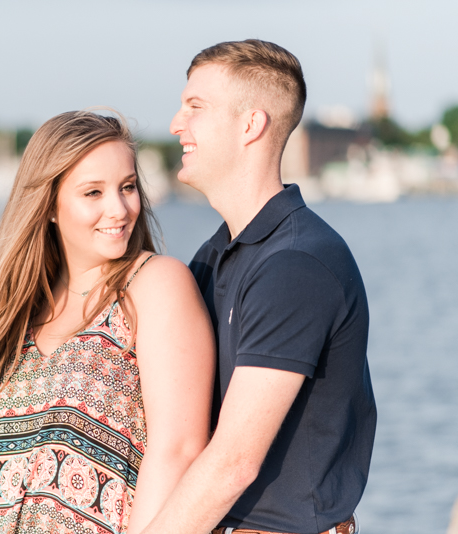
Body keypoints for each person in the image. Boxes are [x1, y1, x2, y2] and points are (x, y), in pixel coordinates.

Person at [140, 40, 377, 534]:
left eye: (195, 108)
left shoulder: (296, 264)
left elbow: (233, 463)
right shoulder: (216, 254)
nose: (175, 124)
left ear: (251, 125)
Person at [0, 110, 215, 534]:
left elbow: (179, 450)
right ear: (49, 206)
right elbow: (45, 437)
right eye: (93, 192)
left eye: (127, 187)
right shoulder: (25, 308)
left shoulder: (154, 286)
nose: (119, 208)